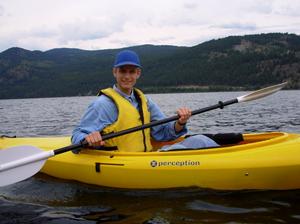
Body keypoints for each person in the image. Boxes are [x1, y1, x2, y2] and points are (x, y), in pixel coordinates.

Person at [71, 50, 218, 152]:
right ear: (115, 72)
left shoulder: (144, 101)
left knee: (201, 140)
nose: (127, 76)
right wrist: (88, 138)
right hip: (125, 162)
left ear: (138, 74)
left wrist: (180, 123)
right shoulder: (103, 104)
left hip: (146, 156)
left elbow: (164, 132)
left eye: (131, 71)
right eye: (122, 71)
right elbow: (77, 135)